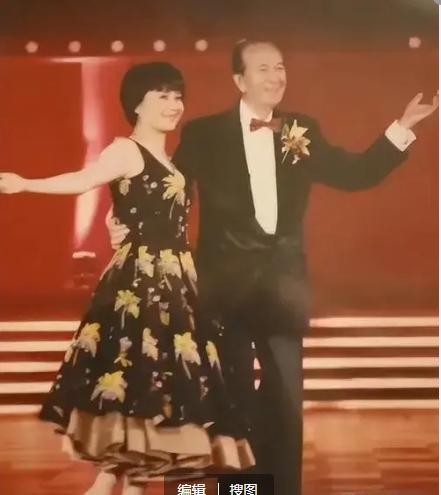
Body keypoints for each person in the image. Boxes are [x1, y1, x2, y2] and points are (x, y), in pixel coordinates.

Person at [106, 40, 438, 495]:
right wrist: (124, 218)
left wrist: (402, 128)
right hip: (223, 291)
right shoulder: (204, 134)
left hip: (282, 290)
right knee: (230, 401)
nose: (275, 76)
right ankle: (234, 491)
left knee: (285, 404)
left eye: (280, 67)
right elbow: (168, 186)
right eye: (263, 68)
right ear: (239, 80)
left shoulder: (301, 129)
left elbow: (354, 172)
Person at [0, 62, 255, 495]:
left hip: (177, 282)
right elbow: (84, 180)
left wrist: (115, 220)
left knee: (160, 394)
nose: (174, 105)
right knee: (141, 382)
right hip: (141, 285)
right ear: (137, 104)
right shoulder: (125, 151)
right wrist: (26, 184)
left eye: (178, 96)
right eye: (162, 96)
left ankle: (114, 485)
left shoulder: (170, 160)